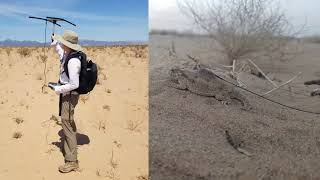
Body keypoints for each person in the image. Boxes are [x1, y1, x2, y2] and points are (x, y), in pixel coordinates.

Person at [51, 30, 82, 173]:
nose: (61, 44)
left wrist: (59, 89)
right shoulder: (68, 54)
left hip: (69, 95)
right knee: (68, 121)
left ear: (68, 45)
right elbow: (60, 53)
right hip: (67, 93)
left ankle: (71, 161)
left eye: (63, 42)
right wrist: (55, 42)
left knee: (66, 122)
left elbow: (74, 84)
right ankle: (71, 143)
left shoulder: (73, 61)